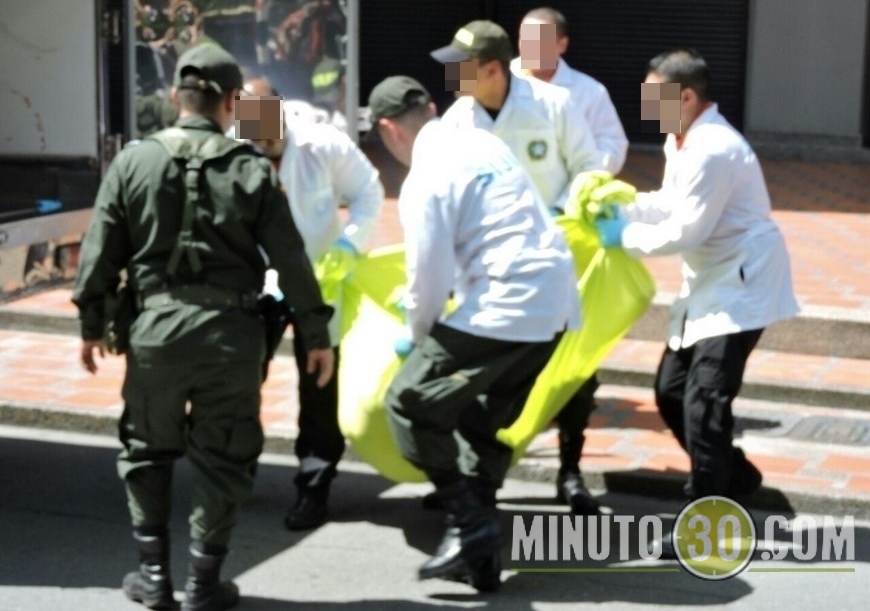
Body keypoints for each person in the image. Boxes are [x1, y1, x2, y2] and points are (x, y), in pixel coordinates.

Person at [72, 44, 334, 611]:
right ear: (234, 103)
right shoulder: (251, 170)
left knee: (147, 450)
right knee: (225, 456)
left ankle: (154, 578)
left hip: (154, 333)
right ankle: (205, 583)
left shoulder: (132, 163)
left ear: (174, 98)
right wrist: (316, 336)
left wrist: (92, 324)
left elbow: (99, 254)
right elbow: (293, 263)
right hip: (231, 337)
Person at [370, 75, 580, 591]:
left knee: (409, 401)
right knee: (477, 420)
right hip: (554, 304)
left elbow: (428, 278)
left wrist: (417, 335)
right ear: (431, 109)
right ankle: (480, 561)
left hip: (507, 303)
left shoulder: (424, 178)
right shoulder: (482, 142)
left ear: (388, 129)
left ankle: (469, 523)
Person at [594, 48, 799, 556]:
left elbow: (686, 230)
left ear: (684, 96)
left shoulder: (714, 147)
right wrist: (626, 202)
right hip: (711, 282)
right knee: (670, 391)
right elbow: (670, 202)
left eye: (652, 94)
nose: (645, 103)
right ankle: (738, 477)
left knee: (705, 404)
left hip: (741, 284)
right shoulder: (679, 138)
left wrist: (623, 237)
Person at [431, 19, 603, 515]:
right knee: (481, 380)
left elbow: (588, 167)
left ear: (490, 69)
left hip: (553, 264)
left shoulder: (554, 105)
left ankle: (570, 472)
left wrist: (563, 214)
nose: (451, 77)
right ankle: (469, 479)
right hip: (485, 272)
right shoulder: (456, 122)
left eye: (459, 67)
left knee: (572, 372)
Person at [243, 75, 385, 531]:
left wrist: (350, 242)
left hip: (319, 282)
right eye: (253, 135)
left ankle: (314, 483)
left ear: (281, 110)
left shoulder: (323, 144)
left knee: (320, 386)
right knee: (241, 378)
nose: (264, 143)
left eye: (268, 132)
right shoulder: (234, 150)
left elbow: (370, 191)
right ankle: (235, 469)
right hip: (257, 283)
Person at [512, 6, 628, 175]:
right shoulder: (500, 81)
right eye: (526, 39)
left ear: (562, 44)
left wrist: (586, 175)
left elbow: (612, 144)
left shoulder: (590, 92)